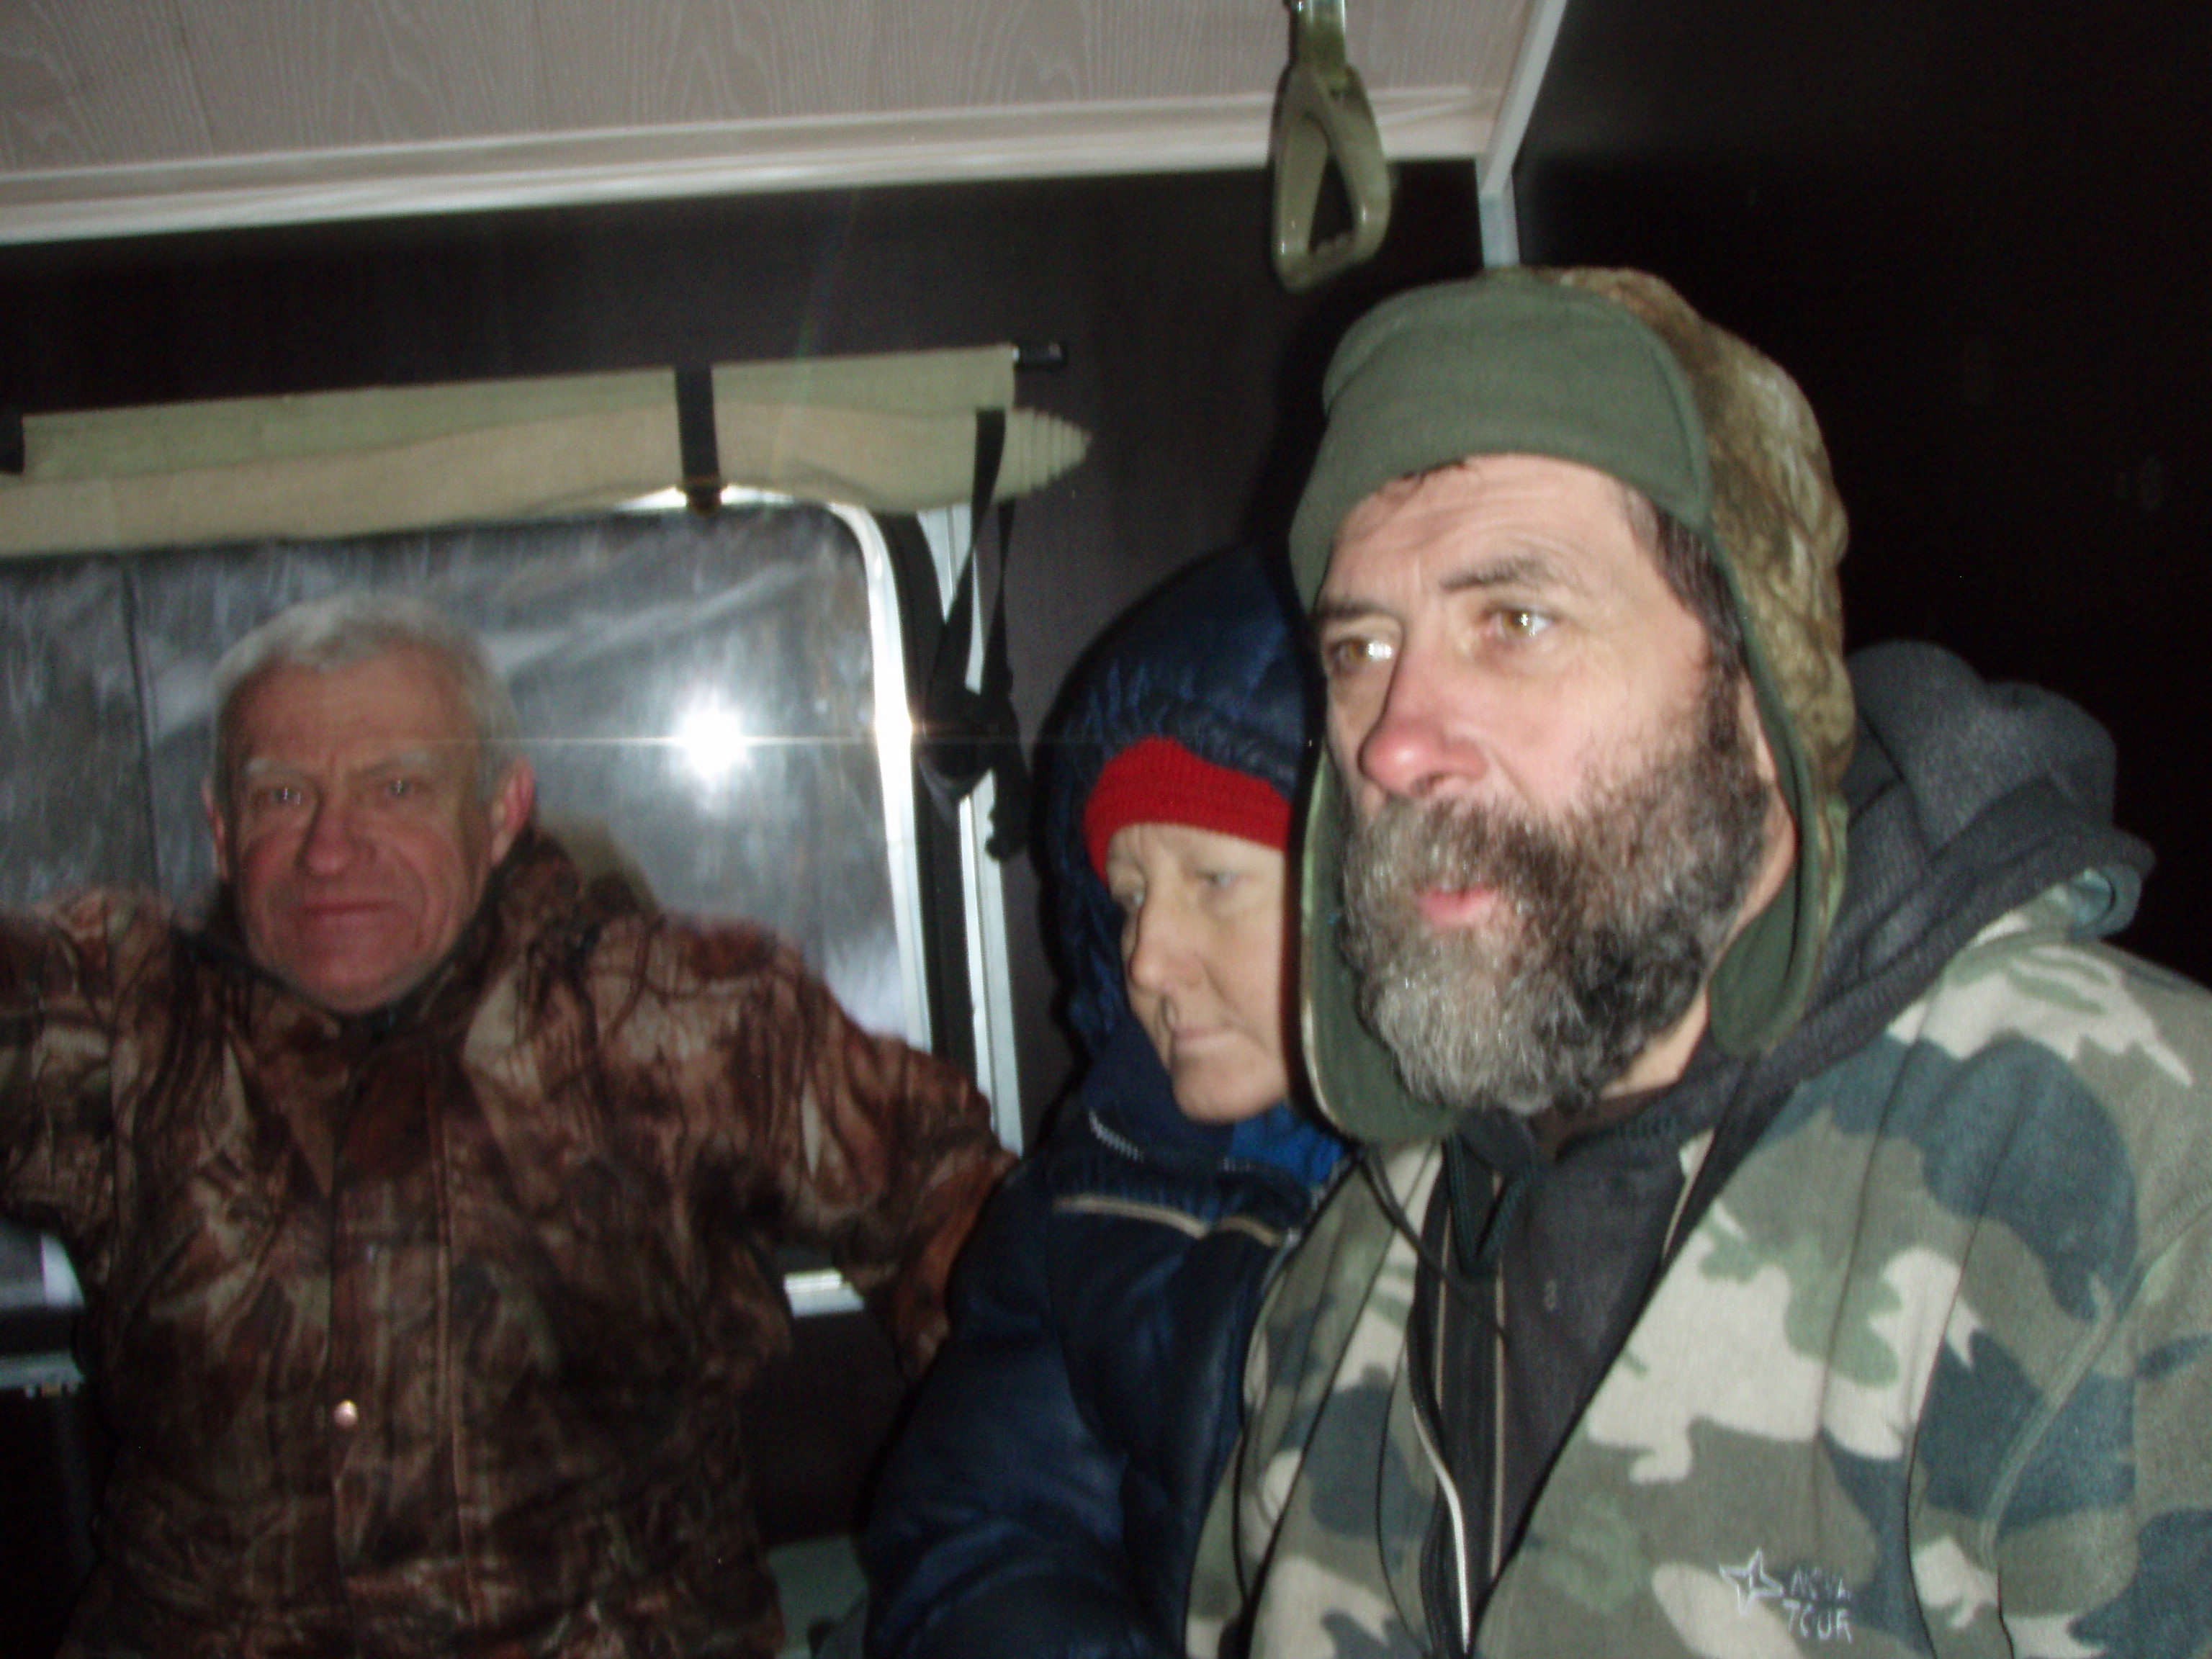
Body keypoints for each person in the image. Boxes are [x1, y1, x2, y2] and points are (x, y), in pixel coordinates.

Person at [1185, 269, 2212, 1656]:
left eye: (1517, 621)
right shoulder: (1359, 1265)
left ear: (1757, 686)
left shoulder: (2120, 1180)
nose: (1395, 740)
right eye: (1361, 647)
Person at [0, 591, 1012, 1659]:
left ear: (500, 814)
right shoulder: (125, 1016)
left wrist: (1017, 1536)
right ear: (220, 831)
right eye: (283, 795)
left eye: (395, 787)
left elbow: (962, 1224)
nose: (329, 850)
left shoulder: (677, 1012)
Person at [863, 550, 1345, 1659]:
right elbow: (979, 1541)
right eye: (1128, 898)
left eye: (1214, 881)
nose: (1146, 959)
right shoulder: (1093, 1192)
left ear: (1353, 895)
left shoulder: (1483, 1186)